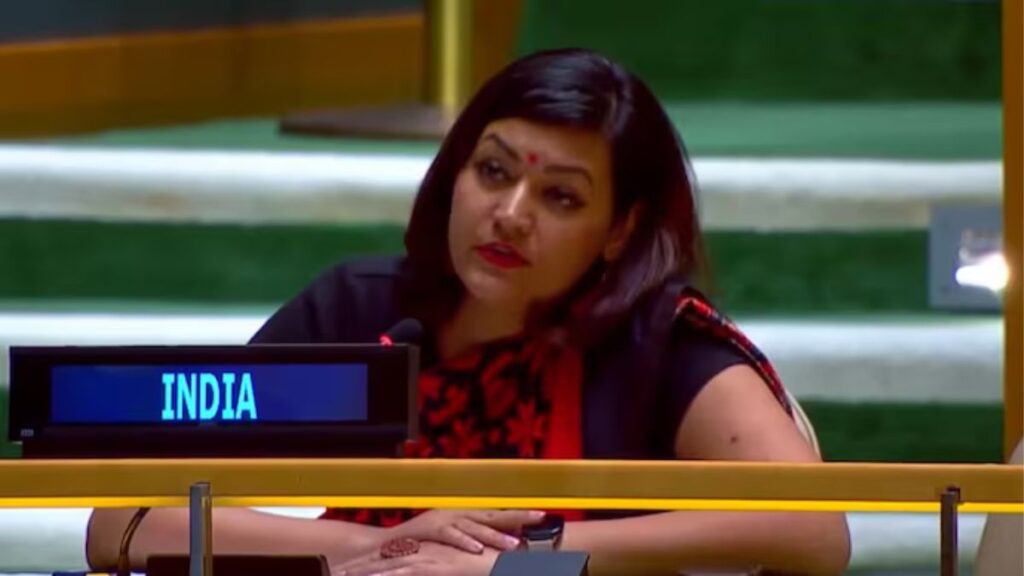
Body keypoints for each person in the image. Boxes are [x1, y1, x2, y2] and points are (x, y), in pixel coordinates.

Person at [87, 48, 850, 575]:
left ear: (620, 230)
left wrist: (524, 559)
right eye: (492, 171)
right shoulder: (362, 312)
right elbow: (125, 521)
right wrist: (379, 546)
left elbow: (812, 528)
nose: (510, 214)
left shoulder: (659, 344)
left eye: (560, 197)